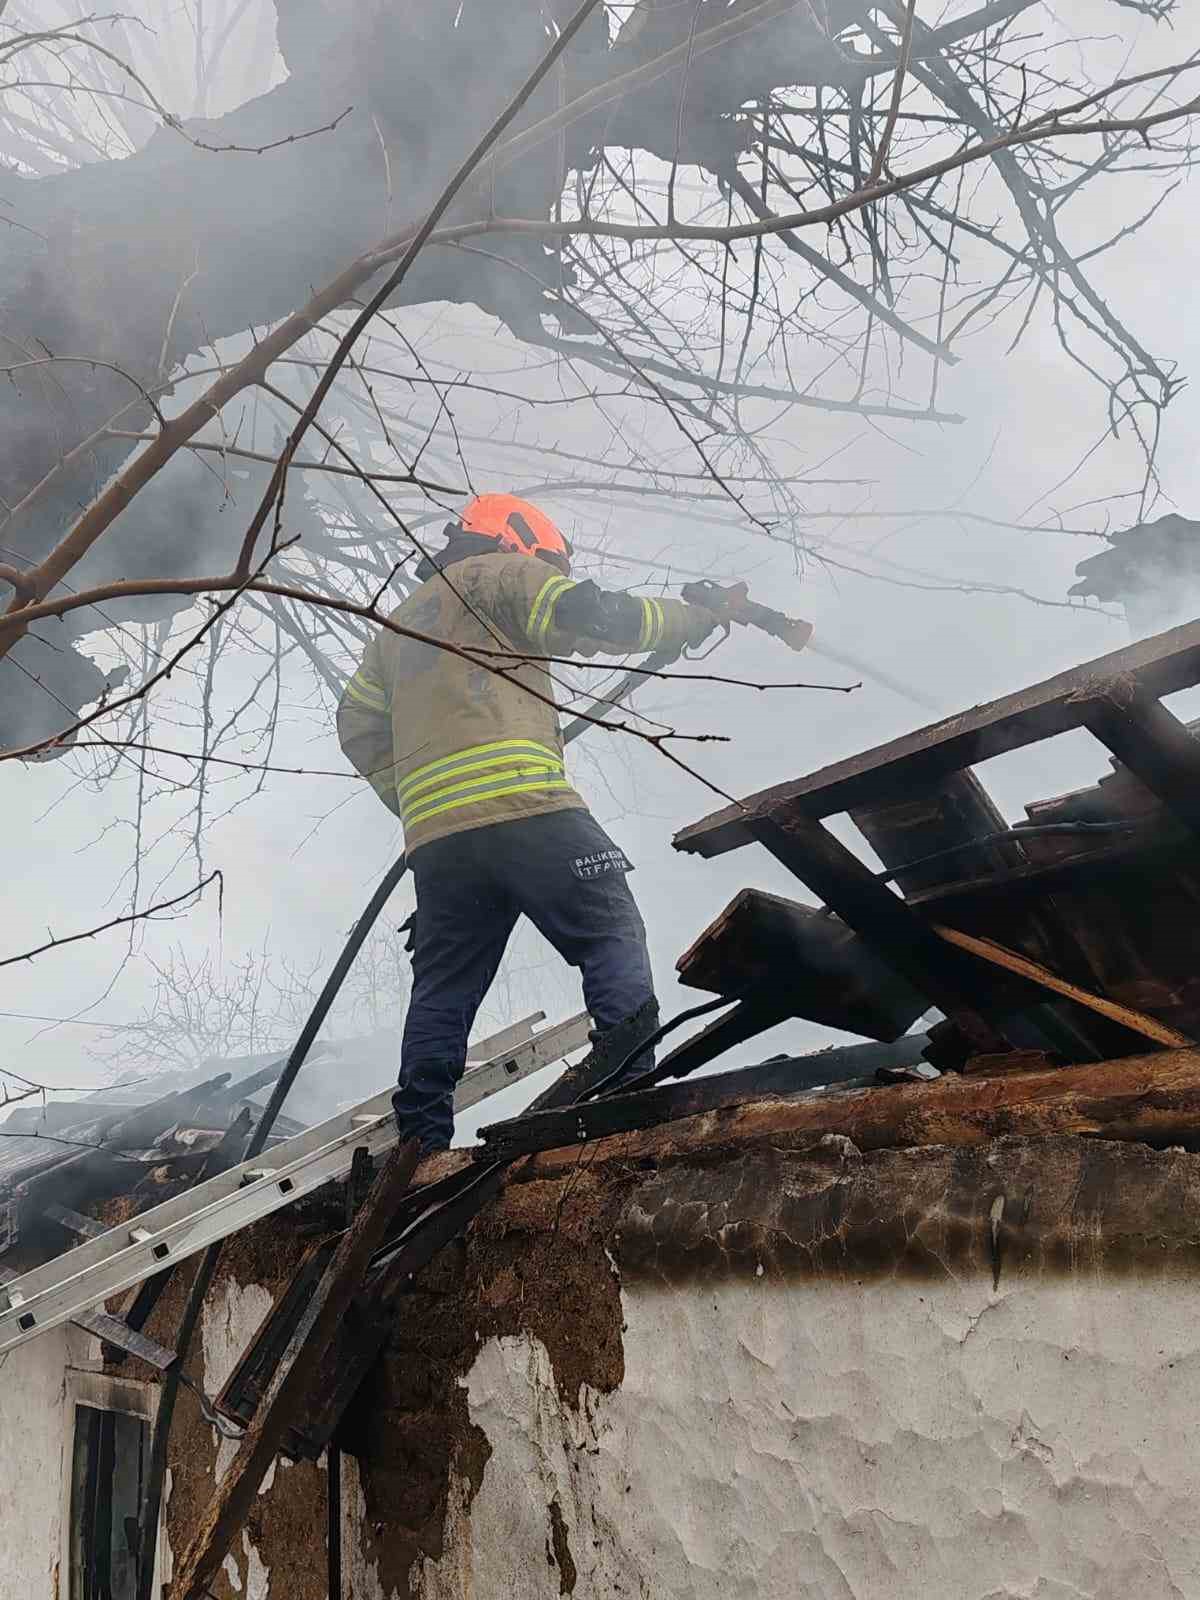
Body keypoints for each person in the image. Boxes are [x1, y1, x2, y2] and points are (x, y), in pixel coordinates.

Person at [337, 493, 720, 1152]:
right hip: (528, 808)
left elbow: (356, 724)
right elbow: (595, 616)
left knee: (445, 984)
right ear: (517, 543)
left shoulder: (397, 627)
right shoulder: (502, 575)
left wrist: (418, 801)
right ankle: (627, 1094)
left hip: (439, 841)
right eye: (549, 563)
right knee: (608, 931)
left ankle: (419, 1142)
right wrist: (688, 617)